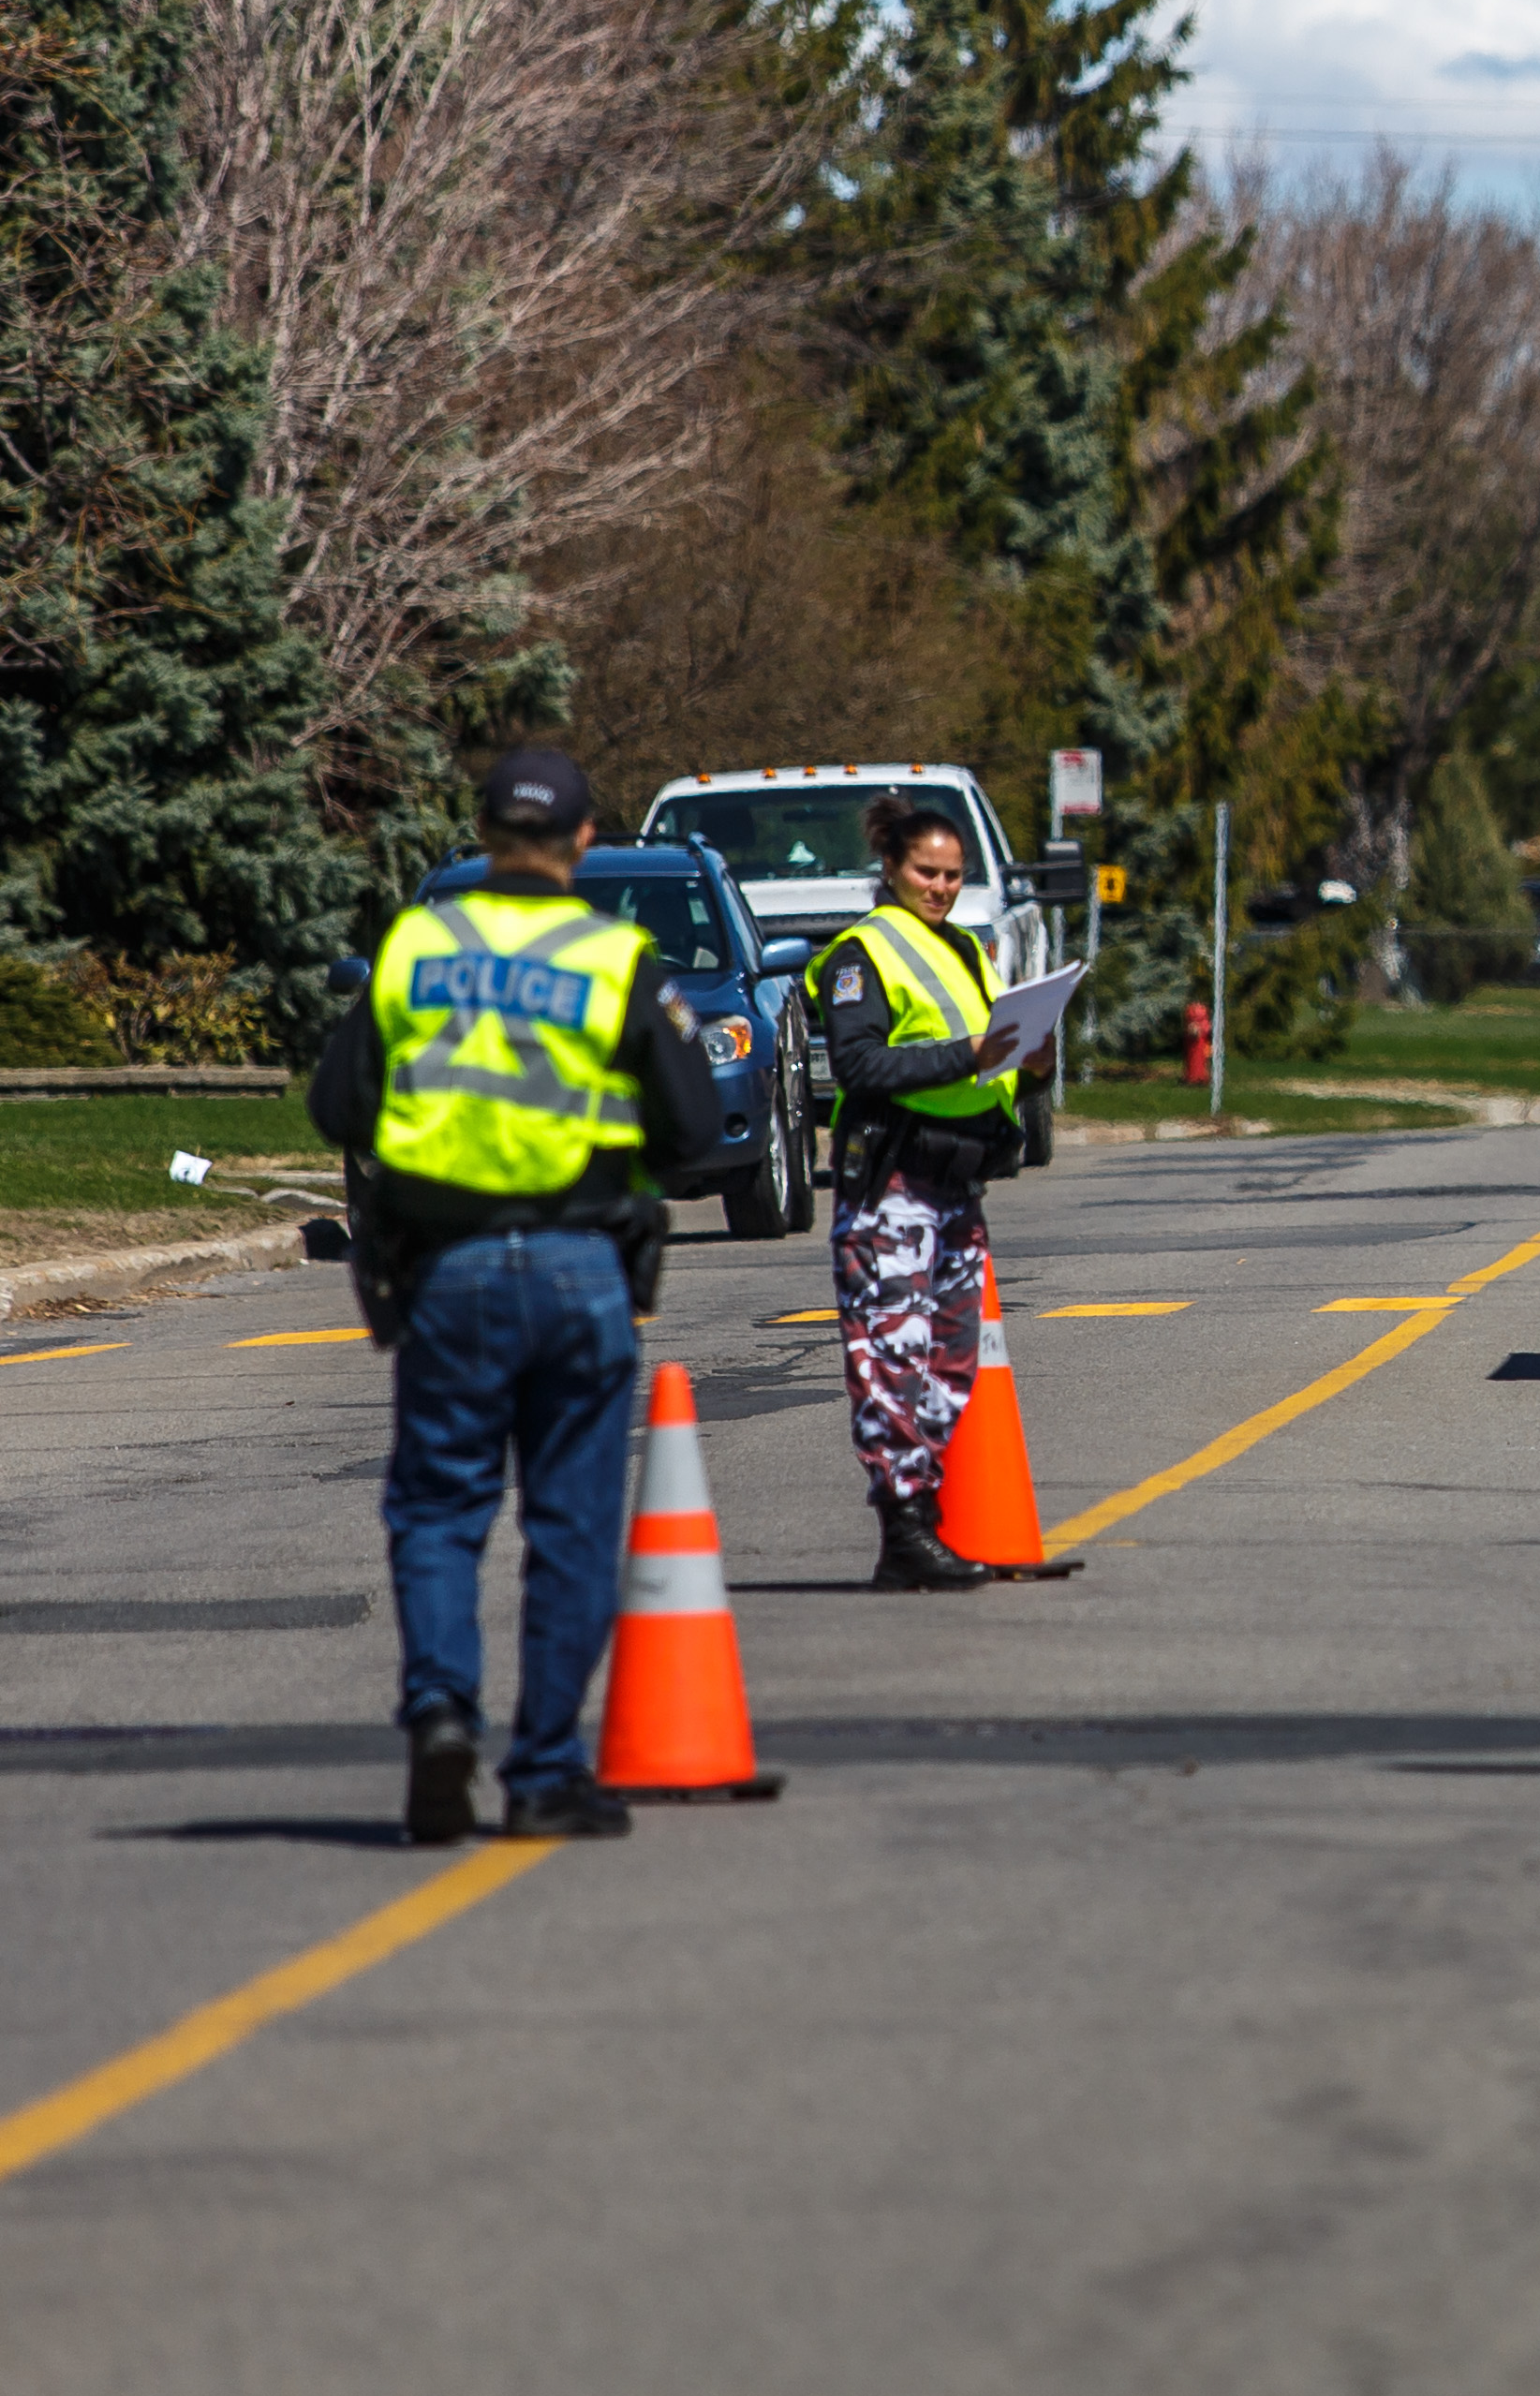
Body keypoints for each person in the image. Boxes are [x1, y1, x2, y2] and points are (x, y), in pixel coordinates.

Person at [309, 747, 722, 1844]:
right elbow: (691, 1131)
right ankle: (543, 1773)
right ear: (585, 841)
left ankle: (442, 1707)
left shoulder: (416, 944)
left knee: (440, 1509)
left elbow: (337, 1105)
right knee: (572, 1525)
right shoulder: (617, 959)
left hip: (446, 1268)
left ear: (484, 835)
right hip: (582, 1265)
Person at [823, 791, 1037, 1592]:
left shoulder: (965, 952)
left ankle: (929, 1511)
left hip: (956, 1186)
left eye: (953, 875)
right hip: (893, 1187)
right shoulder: (860, 954)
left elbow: (988, 1056)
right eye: (926, 872)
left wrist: (1030, 1058)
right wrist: (967, 1052)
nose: (941, 887)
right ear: (891, 867)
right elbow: (861, 1066)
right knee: (891, 1354)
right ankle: (903, 1522)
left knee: (950, 1357)